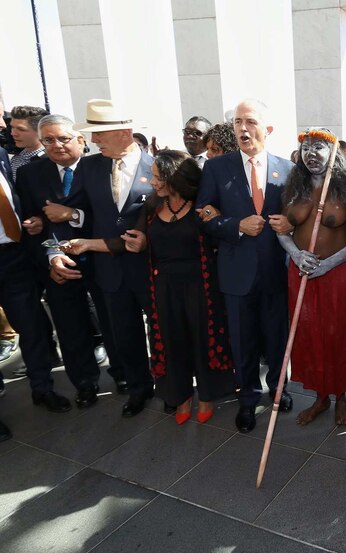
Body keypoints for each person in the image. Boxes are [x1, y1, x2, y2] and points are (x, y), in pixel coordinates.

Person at [66, 151, 235, 424]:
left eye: (158, 176)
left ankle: (207, 394)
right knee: (170, 341)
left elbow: (223, 238)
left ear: (175, 178)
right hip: (163, 287)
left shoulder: (203, 206)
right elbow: (132, 241)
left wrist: (217, 218)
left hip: (200, 286)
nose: (152, 181)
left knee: (202, 339)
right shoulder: (152, 208)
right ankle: (181, 395)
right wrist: (89, 243)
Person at [49, 99, 155, 418]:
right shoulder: (91, 167)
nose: (94, 141)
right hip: (109, 272)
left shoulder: (160, 166)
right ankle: (139, 388)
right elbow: (72, 214)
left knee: (166, 331)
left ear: (124, 132)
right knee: (124, 334)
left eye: (99, 134)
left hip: (153, 269)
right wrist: (55, 249)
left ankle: (174, 386)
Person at [196, 99, 294, 433]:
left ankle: (280, 390)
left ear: (268, 128)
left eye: (250, 121)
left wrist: (290, 224)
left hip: (276, 272)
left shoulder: (288, 169)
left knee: (278, 338)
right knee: (243, 341)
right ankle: (249, 400)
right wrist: (236, 226)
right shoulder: (216, 168)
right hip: (236, 274)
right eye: (238, 122)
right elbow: (204, 214)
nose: (242, 129)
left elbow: (300, 215)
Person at [16, 114, 111, 409]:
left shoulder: (102, 167)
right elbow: (37, 226)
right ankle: (84, 383)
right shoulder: (30, 174)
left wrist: (73, 215)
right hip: (59, 266)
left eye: (63, 138)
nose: (56, 146)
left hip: (102, 260)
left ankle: (124, 375)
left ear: (80, 140)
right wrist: (51, 254)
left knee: (112, 322)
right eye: (48, 140)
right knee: (70, 328)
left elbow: (111, 217)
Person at [279, 129, 346, 426]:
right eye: (306, 147)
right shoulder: (294, 187)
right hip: (302, 272)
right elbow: (282, 230)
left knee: (339, 336)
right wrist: (295, 253)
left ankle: (341, 397)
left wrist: (330, 264)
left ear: (334, 153)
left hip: (339, 274)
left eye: (319, 146)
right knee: (310, 336)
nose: (311, 153)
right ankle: (320, 398)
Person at [0, 114, 65, 413]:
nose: (4, 127)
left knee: (32, 325)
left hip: (14, 256)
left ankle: (42, 388)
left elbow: (17, 203)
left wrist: (35, 221)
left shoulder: (2, 155)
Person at [9, 105, 48, 180]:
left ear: (40, 131)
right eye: (12, 127)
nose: (13, 133)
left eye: (21, 129)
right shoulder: (15, 160)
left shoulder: (53, 158)